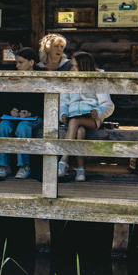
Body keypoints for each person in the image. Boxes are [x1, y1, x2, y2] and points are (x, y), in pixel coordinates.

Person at [58, 52, 115, 182]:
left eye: (74, 67)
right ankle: (80, 169)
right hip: (73, 117)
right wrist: (63, 114)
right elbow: (63, 103)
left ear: (83, 67)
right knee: (79, 131)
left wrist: (98, 112)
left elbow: (108, 105)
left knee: (75, 122)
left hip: (91, 119)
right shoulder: (68, 83)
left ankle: (64, 160)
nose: (71, 70)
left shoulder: (97, 82)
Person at [0, 48, 43, 178]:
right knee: (3, 126)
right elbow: (5, 100)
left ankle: (24, 166)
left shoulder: (42, 77)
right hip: (15, 116)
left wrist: (30, 113)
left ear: (31, 62)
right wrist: (11, 111)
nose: (17, 66)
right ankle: (4, 165)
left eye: (21, 62)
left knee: (23, 127)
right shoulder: (14, 77)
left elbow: (46, 103)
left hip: (36, 117)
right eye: (16, 62)